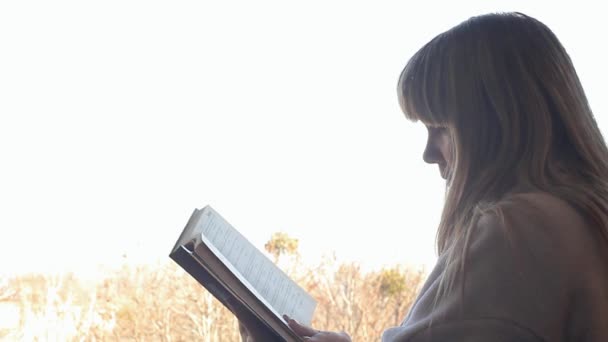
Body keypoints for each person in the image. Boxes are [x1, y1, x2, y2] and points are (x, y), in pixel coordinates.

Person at [241, 11, 608, 341]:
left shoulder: (521, 227)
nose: (429, 154)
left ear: (497, 124)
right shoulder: (583, 222)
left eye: (440, 128)